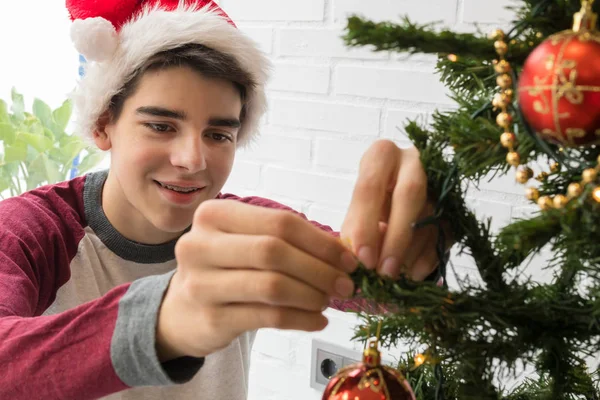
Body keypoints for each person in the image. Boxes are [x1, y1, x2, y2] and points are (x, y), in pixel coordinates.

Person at [0, 0, 447, 399]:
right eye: (161, 125)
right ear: (102, 124)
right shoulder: (31, 232)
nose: (193, 160)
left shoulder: (246, 230)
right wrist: (163, 321)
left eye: (218, 134)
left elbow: (380, 290)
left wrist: (417, 252)